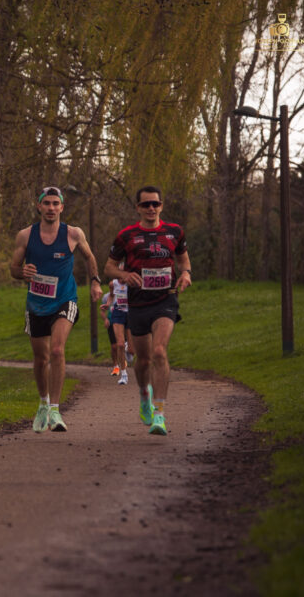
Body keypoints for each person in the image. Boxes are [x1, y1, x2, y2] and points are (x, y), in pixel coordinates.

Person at [9, 186, 103, 433]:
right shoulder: (25, 236)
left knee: (57, 350)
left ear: (62, 207)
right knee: (41, 358)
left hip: (65, 299)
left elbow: (89, 257)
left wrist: (95, 282)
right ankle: (43, 403)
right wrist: (22, 272)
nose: (51, 208)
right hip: (36, 303)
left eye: (55, 203)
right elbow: (14, 268)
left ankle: (55, 409)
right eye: (46, 203)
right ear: (39, 206)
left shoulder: (73, 234)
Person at [104, 185, 192, 435]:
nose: (151, 208)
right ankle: (145, 394)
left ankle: (159, 414)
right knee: (142, 360)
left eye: (155, 203)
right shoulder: (127, 235)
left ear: (161, 206)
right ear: (138, 208)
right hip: (138, 303)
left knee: (160, 351)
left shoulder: (175, 232)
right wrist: (125, 275)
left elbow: (183, 260)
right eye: (146, 204)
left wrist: (186, 274)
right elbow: (109, 267)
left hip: (165, 300)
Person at [106, 264, 131, 385]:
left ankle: (129, 348)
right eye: (119, 273)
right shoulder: (113, 284)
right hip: (118, 312)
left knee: (131, 349)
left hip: (131, 313)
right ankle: (124, 375)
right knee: (119, 344)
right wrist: (107, 304)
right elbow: (111, 296)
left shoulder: (133, 283)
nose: (121, 277)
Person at [99, 293, 121, 377]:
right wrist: (105, 319)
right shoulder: (106, 297)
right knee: (114, 346)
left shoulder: (124, 293)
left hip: (122, 322)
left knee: (123, 344)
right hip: (111, 322)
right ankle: (116, 366)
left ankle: (123, 360)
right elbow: (102, 311)